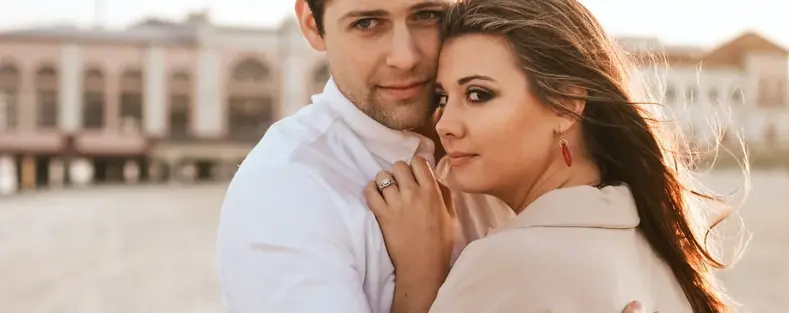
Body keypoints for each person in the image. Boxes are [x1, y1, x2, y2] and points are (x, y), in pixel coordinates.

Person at [215, 0, 649, 312]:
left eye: (426, 15)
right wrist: (421, 283)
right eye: (368, 23)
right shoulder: (288, 188)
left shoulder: (499, 158)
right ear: (313, 25)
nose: (405, 57)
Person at [364, 0, 742, 312]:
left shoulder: (509, 264)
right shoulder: (649, 246)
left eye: (478, 94)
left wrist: (419, 277)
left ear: (565, 105)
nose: (445, 123)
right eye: (443, 98)